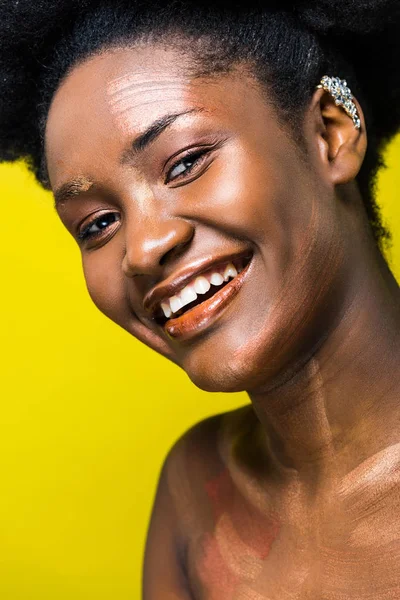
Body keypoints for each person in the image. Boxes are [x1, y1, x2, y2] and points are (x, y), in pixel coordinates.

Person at [1, 1, 400, 597]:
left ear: (330, 132)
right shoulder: (197, 495)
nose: (141, 248)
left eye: (185, 163)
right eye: (98, 224)